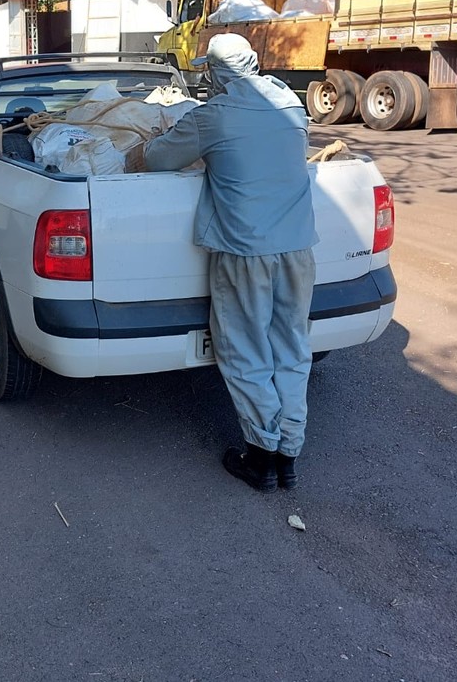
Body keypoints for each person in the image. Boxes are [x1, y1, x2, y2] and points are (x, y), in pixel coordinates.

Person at [132, 33, 318, 492]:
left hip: (244, 252)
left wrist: (164, 135)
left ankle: (259, 458)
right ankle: (288, 455)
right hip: (298, 249)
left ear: (215, 73)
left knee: (245, 350)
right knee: (291, 351)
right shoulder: (290, 105)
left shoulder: (214, 115)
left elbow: (156, 159)